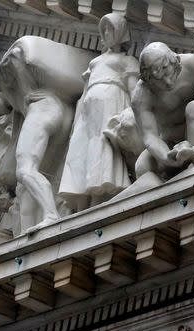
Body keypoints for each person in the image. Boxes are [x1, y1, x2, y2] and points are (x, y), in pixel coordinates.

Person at [0, 36, 94, 232]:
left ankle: (51, 215)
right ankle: (37, 225)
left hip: (42, 111)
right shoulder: (18, 109)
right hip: (61, 112)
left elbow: (16, 55)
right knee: (31, 183)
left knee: (25, 170)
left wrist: (27, 91)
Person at [59, 13, 139, 212]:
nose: (105, 33)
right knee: (82, 149)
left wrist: (133, 113)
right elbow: (84, 93)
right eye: (103, 29)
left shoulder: (126, 60)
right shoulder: (95, 63)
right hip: (89, 111)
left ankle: (99, 199)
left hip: (111, 103)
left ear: (120, 33)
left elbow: (135, 91)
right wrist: (77, 121)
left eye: (110, 29)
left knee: (103, 148)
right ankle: (81, 202)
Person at [128, 32, 194, 190]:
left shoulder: (193, 64)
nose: (167, 82)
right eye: (158, 80)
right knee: (142, 166)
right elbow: (150, 136)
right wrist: (167, 157)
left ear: (176, 61)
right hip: (173, 140)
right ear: (147, 80)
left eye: (168, 73)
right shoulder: (141, 96)